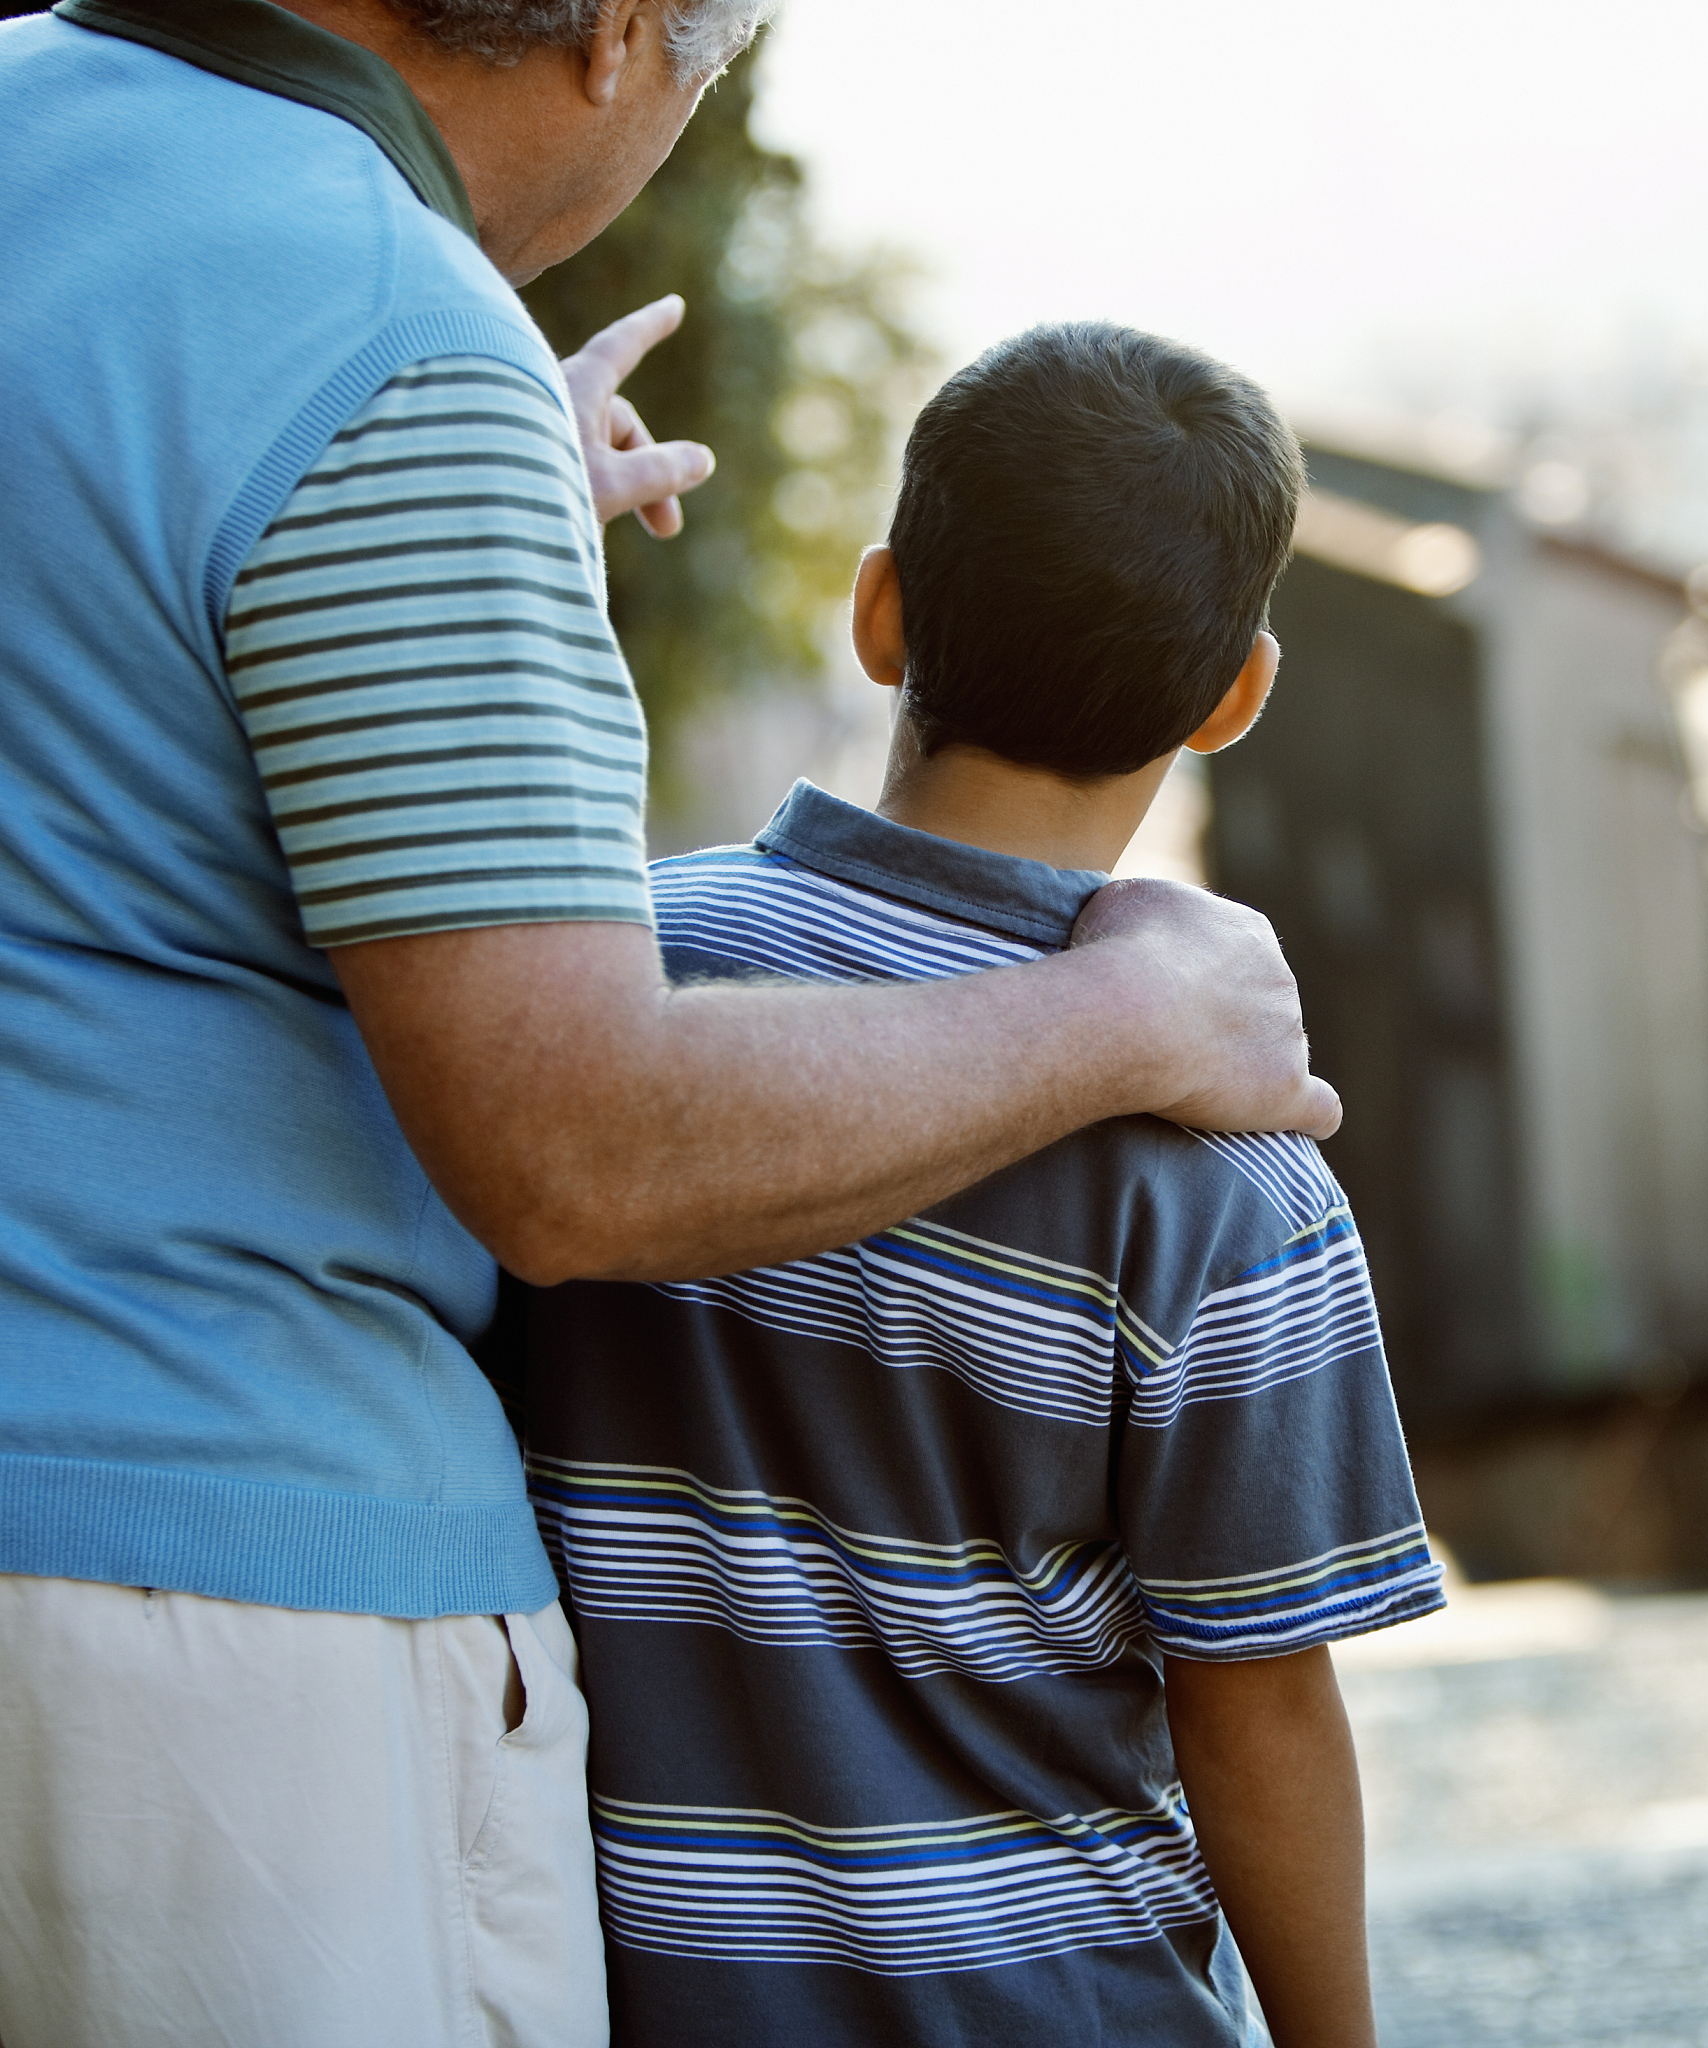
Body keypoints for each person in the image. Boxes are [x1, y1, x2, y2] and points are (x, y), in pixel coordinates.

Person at [0, 6, 1340, 2045]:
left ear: (878, 611)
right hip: (224, 1597)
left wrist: (453, 522)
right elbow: (576, 1145)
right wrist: (1113, 1016)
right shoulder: (372, 309)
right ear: (623, 32)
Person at [521, 324, 1444, 2048]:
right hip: (1066, 2001)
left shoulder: (605, 996)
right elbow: (1259, 1713)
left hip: (644, 1996)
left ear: (879, 614)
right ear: (1232, 696)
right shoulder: (1229, 1163)